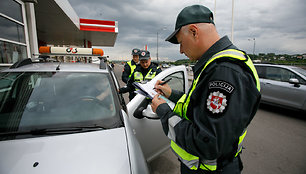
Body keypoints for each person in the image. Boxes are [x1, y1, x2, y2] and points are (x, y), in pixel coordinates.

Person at [151, 5, 261, 174]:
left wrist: (163, 111)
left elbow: (208, 143)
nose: (180, 50)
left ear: (194, 31)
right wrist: (171, 93)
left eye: (181, 43)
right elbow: (199, 107)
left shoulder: (225, 71)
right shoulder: (215, 66)